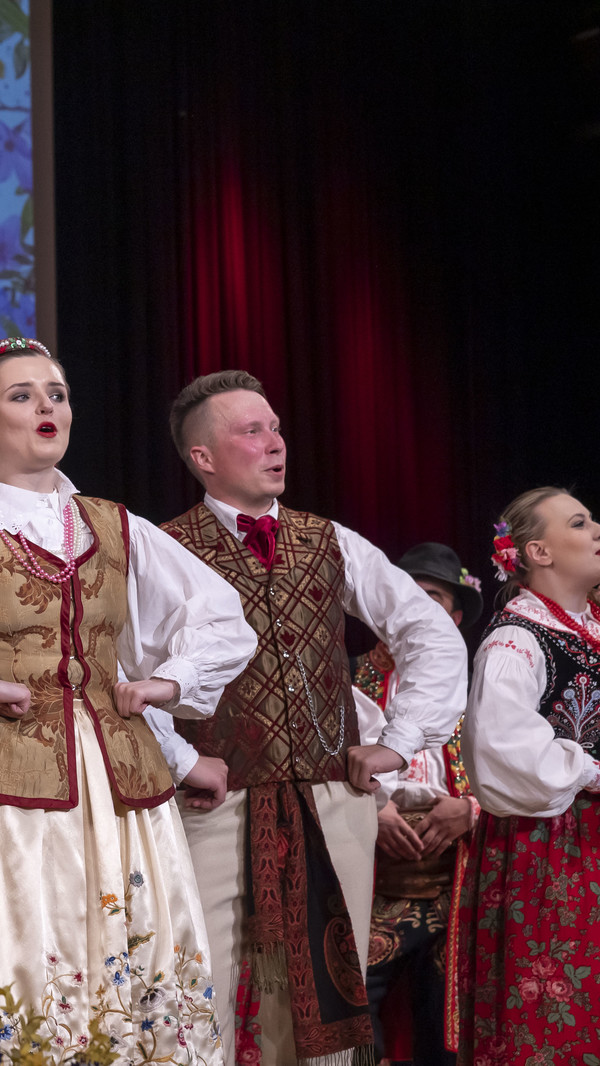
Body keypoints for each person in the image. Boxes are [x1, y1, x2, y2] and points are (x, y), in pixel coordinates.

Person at [0, 338, 257, 1064]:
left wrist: (169, 683)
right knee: (9, 948)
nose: (47, 407)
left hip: (116, 788)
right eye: (22, 395)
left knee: (126, 959)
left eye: (57, 394)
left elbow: (218, 616)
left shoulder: (116, 527)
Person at [149, 369, 466, 1065]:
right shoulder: (162, 549)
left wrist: (399, 741)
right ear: (203, 456)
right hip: (213, 803)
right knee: (195, 989)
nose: (275, 442)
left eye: (276, 428)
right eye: (252, 431)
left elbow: (427, 631)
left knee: (327, 995)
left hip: (330, 799)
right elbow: (124, 672)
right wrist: (181, 758)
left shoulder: (328, 541)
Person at [454, 488, 600, 1065]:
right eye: (580, 523)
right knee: (553, 1013)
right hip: (553, 843)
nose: (597, 530)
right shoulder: (516, 641)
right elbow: (506, 753)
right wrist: (589, 770)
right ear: (539, 551)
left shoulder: (590, 627)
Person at [351, 543, 480, 1066]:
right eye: (410, 595)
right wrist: (371, 811)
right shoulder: (345, 676)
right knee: (351, 1006)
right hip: (373, 871)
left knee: (447, 1024)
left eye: (434, 599)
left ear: (454, 617)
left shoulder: (481, 682)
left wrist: (471, 809)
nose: (420, 608)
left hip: (457, 874)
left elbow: (518, 768)